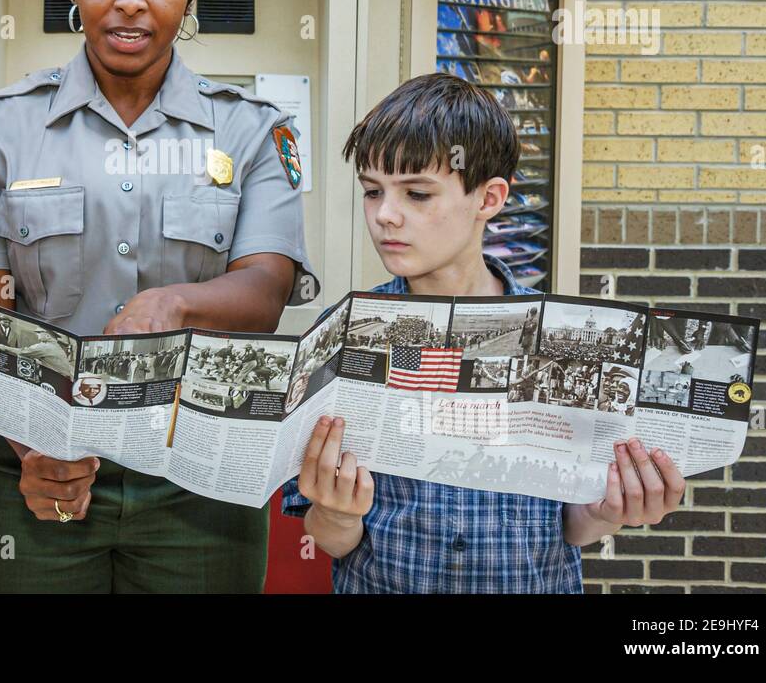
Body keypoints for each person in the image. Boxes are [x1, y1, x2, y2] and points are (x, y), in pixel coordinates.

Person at [0, 0, 315, 593]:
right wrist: (31, 443)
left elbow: (265, 291)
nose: (131, 0)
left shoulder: (254, 131)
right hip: (22, 472)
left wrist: (174, 302)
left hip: (196, 474)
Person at [282, 73, 686, 593]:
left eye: (418, 193)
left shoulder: (562, 338)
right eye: (372, 191)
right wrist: (336, 514)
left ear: (489, 198)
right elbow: (328, 536)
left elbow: (573, 526)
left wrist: (611, 509)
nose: (385, 215)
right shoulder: (345, 333)